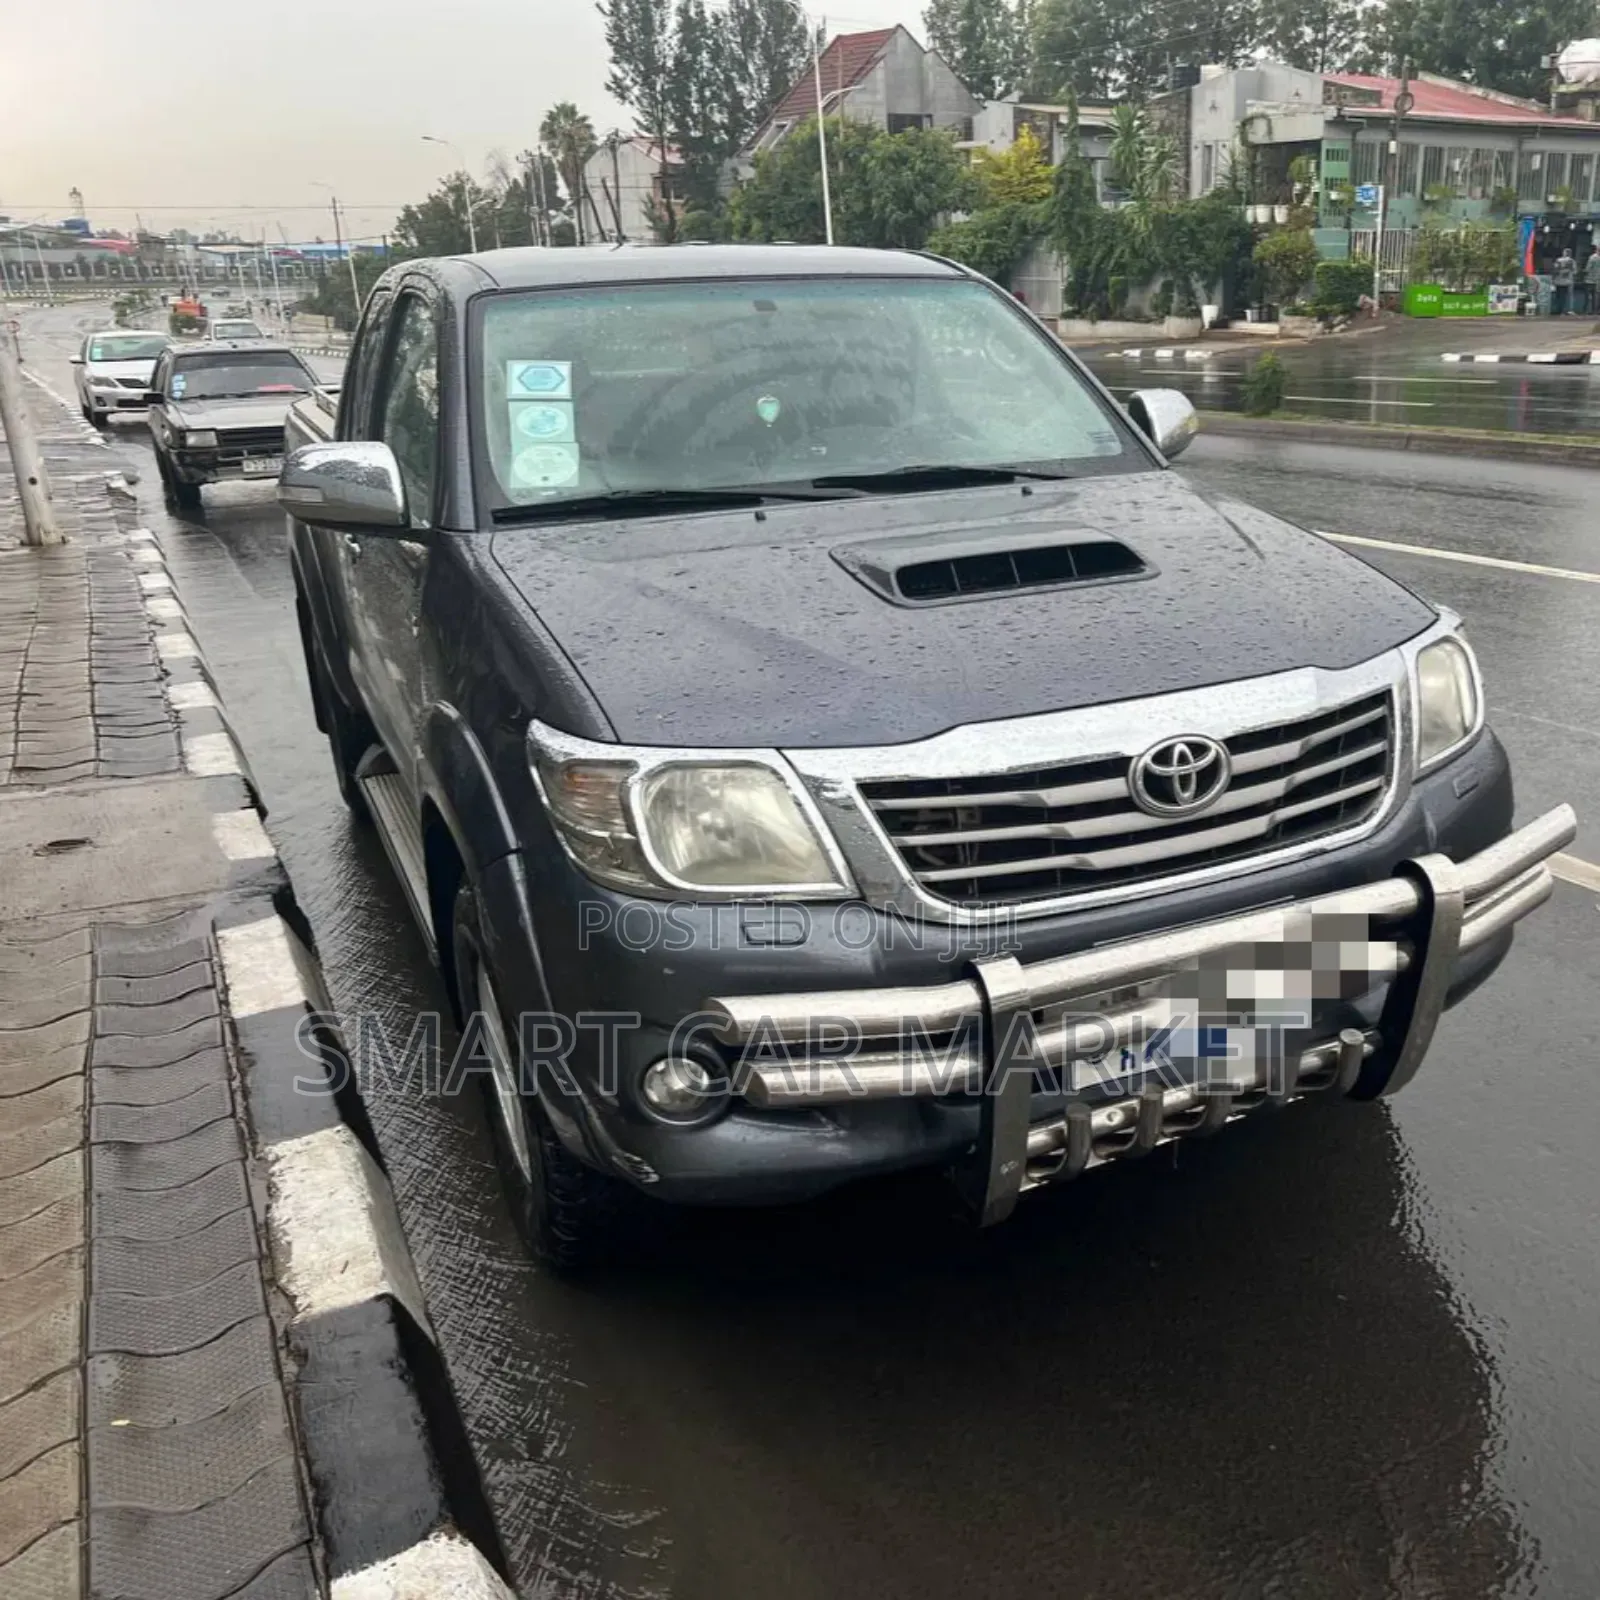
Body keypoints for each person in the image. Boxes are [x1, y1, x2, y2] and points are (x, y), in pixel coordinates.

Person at [1552, 248, 1577, 315]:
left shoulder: (1558, 260)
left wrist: (1554, 279)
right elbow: (1575, 272)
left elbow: (1555, 270)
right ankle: (1566, 310)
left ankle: (1558, 310)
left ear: (1564, 253)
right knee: (1566, 296)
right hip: (1568, 281)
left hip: (1558, 281)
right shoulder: (1572, 261)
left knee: (1558, 295)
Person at [1584, 248, 1600, 316]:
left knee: (1588, 296)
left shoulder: (1592, 258)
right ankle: (1595, 311)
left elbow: (1588, 268)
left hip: (1590, 279)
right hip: (1598, 280)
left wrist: (1584, 272)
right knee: (1596, 296)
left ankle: (1587, 311)